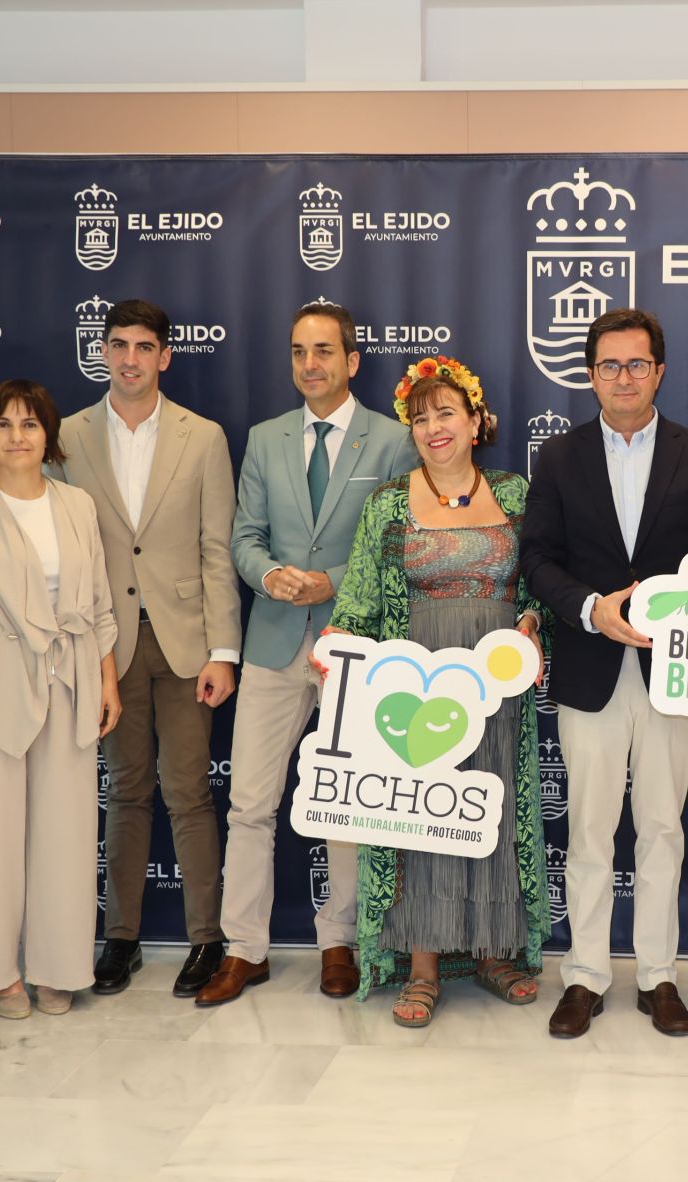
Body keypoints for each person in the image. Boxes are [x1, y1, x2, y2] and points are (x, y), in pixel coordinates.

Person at [521, 308, 688, 1039]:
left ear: (660, 371)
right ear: (589, 375)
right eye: (610, 365)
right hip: (589, 666)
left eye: (638, 364)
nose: (624, 377)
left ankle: (658, 976)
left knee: (661, 828)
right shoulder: (558, 457)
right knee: (588, 832)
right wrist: (591, 608)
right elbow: (537, 559)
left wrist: (675, 611)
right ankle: (585, 976)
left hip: (672, 671)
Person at [326, 355, 551, 1026]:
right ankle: (422, 965)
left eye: (446, 413)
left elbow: (540, 580)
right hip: (414, 686)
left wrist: (532, 622)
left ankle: (491, 952)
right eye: (420, 418)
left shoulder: (515, 494)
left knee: (494, 810)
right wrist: (338, 647)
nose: (433, 428)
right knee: (424, 815)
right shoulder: (389, 503)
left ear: (478, 421)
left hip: (496, 682)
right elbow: (361, 595)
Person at [206, 301, 416, 1007]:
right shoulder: (265, 439)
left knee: (348, 806)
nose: (310, 364)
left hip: (355, 647)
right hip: (271, 640)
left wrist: (337, 583)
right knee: (250, 805)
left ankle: (341, 943)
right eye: (299, 351)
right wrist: (270, 575)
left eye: (324, 351)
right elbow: (243, 537)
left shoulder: (392, 441)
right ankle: (244, 950)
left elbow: (401, 541)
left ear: (352, 362)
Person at [54, 299, 241, 1000]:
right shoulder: (68, 436)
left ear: (165, 356)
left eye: (144, 346)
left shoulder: (205, 437)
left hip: (188, 644)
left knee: (189, 794)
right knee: (125, 792)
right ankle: (121, 938)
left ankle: (206, 940)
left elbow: (217, 551)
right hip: (109, 648)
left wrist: (223, 651)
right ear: (103, 351)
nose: (130, 358)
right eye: (118, 344)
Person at [0, 380, 120, 1017]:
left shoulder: (77, 505)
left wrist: (106, 680)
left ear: (48, 436)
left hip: (70, 679)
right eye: (4, 425)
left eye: (29, 425)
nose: (17, 437)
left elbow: (98, 607)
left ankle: (58, 967)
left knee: (65, 834)